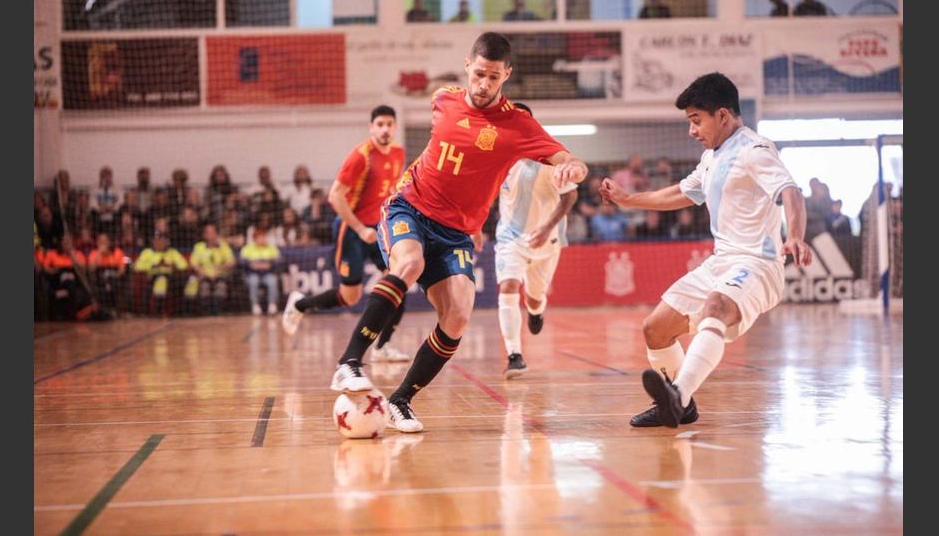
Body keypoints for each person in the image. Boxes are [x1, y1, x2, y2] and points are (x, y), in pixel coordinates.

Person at [328, 32, 587, 433]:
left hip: (456, 233)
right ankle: (349, 363)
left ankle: (401, 400)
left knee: (460, 313)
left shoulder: (519, 124)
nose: (484, 85)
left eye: (494, 78)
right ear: (468, 66)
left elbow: (567, 157)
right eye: (479, 74)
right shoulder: (444, 98)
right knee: (409, 263)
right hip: (409, 208)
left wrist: (573, 167)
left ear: (507, 76)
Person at [599, 72, 812, 428]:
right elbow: (680, 193)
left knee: (716, 306)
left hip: (758, 265)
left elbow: (791, 191)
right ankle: (682, 403)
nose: (692, 131)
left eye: (696, 121)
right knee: (655, 329)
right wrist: (628, 200)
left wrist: (797, 236)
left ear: (723, 116)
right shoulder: (712, 157)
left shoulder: (754, 150)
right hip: (721, 263)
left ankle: (677, 396)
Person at [282, 105, 411, 364]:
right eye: (380, 124)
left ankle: (382, 347)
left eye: (389, 124)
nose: (385, 129)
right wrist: (360, 228)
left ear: (395, 127)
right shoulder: (360, 156)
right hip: (351, 229)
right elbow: (335, 196)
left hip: (379, 229)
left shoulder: (398, 153)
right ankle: (299, 305)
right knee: (349, 296)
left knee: (400, 282)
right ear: (371, 127)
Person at [494, 102, 579, 378]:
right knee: (507, 288)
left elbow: (570, 195)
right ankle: (514, 354)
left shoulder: (548, 157)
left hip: (545, 240)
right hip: (510, 238)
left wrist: (546, 227)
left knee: (534, 298)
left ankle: (536, 310)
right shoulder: (496, 157)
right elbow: (482, 193)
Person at [240, 227, 281, 316]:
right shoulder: (248, 248)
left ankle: (272, 305)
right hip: (252, 274)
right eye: (260, 237)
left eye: (264, 237)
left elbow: (279, 260)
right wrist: (251, 265)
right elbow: (242, 262)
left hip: (267, 274)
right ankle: (255, 305)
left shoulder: (271, 248)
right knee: (253, 281)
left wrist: (270, 264)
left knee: (272, 281)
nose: (262, 239)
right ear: (255, 238)